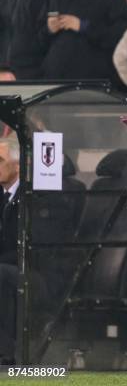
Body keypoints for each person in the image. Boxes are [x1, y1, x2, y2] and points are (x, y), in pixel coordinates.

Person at [40, 0, 127, 87]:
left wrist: (83, 26)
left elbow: (120, 34)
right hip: (55, 76)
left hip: (92, 79)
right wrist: (49, 28)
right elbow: (38, 36)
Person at [0, 137, 21, 365]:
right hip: (7, 264)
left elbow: (24, 245)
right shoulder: (2, 196)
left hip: (34, 270)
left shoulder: (31, 196)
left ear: (17, 165)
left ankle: (5, 351)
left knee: (2, 274)